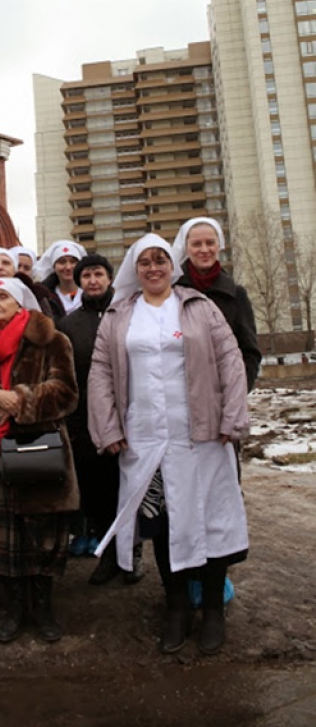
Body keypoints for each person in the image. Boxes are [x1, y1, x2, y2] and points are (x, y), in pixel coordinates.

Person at [88, 234, 249, 655]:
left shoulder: (198, 306)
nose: (154, 268)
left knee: (211, 521)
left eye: (161, 260)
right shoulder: (120, 314)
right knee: (162, 524)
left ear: (171, 265)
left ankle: (213, 608)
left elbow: (231, 360)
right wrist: (108, 428)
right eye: (145, 262)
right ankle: (175, 606)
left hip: (204, 437)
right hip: (146, 442)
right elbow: (101, 372)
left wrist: (233, 417)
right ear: (134, 269)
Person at [0, 277, 79, 644]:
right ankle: (13, 610)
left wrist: (20, 400)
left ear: (20, 302)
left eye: (1, 296)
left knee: (39, 537)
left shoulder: (52, 339)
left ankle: (43, 609)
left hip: (36, 449)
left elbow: (67, 392)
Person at [58, 253, 143, 583]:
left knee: (131, 491)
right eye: (86, 275)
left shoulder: (129, 315)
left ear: (110, 278)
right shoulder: (67, 325)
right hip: (85, 425)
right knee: (98, 494)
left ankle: (132, 552)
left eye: (98, 274)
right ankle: (109, 555)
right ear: (79, 282)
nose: (92, 280)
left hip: (130, 420)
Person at [172, 217, 261, 392]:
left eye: (210, 243)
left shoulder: (235, 295)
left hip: (223, 391)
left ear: (219, 246)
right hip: (180, 393)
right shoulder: (172, 293)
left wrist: (239, 389)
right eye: (196, 244)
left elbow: (249, 351)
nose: (204, 250)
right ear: (186, 248)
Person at [37, 240, 87, 315]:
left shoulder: (91, 292)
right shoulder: (45, 298)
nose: (68, 267)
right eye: (62, 262)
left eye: (73, 262)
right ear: (54, 267)